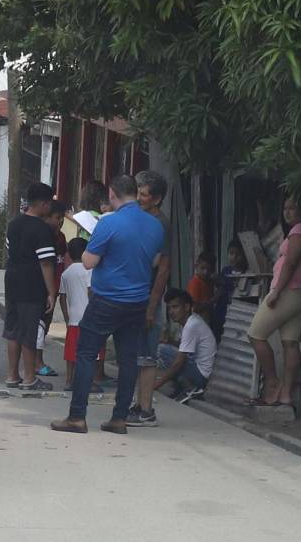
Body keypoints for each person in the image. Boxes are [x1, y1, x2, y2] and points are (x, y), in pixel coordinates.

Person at [51, 175, 164, 435]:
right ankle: (119, 418)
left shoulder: (108, 223)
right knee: (128, 360)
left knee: (86, 353)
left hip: (107, 298)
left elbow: (88, 261)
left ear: (112, 194)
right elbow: (155, 260)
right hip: (138, 301)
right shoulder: (155, 225)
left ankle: (77, 416)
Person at [246, 198, 301, 409]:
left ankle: (272, 383)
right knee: (290, 343)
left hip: (289, 290)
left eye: (292, 208)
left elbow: (290, 262)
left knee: (255, 335)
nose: (287, 213)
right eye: (285, 208)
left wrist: (277, 291)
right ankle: (286, 396)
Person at [3, 183, 59, 391]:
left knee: (12, 329)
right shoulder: (42, 229)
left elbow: (9, 251)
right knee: (29, 330)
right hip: (32, 284)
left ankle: (12, 375)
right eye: (50, 203)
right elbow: (46, 263)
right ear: (43, 204)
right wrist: (51, 292)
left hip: (12, 281)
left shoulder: (14, 224)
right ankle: (29, 378)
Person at [128, 170, 172, 428]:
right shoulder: (142, 219)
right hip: (136, 294)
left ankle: (146, 409)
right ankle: (138, 404)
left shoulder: (160, 224)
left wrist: (152, 307)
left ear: (156, 199)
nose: (139, 198)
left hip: (148, 299)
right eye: (137, 193)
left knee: (146, 356)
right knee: (137, 354)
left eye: (144, 194)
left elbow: (163, 269)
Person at [155, 289, 217, 403]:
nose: (171, 312)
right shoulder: (189, 321)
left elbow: (178, 363)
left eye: (175, 307)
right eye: (169, 308)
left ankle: (190, 387)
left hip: (201, 377)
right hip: (198, 370)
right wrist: (169, 341)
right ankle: (182, 387)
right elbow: (184, 348)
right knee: (165, 347)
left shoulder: (191, 325)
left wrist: (155, 385)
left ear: (187, 307)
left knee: (162, 350)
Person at [59, 237, 104, 392]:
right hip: (89, 317)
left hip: (73, 318)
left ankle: (69, 380)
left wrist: (66, 317)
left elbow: (62, 298)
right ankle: (90, 382)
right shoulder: (89, 270)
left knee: (71, 351)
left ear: (69, 254)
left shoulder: (66, 273)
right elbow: (91, 291)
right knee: (92, 351)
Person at [35, 200, 70, 379]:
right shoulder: (42, 237)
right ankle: (37, 362)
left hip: (54, 289)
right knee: (39, 325)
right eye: (57, 217)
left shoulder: (61, 238)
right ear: (47, 217)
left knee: (45, 325)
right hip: (43, 289)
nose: (60, 221)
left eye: (62, 217)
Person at [210, 241, 247, 340]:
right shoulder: (226, 271)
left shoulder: (246, 272)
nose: (234, 257)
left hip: (236, 311)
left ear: (244, 255)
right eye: (231, 253)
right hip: (221, 310)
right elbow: (220, 288)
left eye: (238, 254)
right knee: (217, 335)